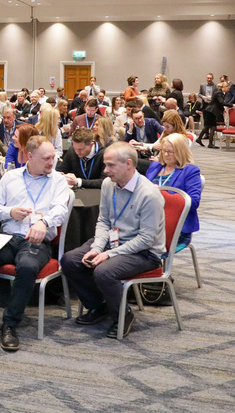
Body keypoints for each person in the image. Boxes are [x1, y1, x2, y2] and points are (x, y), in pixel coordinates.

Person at [0, 136, 71, 351]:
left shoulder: (58, 181)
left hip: (37, 240)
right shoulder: (10, 177)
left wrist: (44, 222)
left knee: (27, 266)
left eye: (53, 157)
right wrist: (10, 212)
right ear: (30, 156)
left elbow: (60, 210)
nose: (51, 162)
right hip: (7, 236)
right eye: (46, 158)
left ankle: (10, 323)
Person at [61, 142, 166, 339]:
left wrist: (109, 254)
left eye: (110, 165)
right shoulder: (109, 185)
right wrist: (97, 247)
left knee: (104, 271)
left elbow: (146, 239)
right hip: (113, 241)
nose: (105, 170)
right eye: (105, 165)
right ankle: (100, 305)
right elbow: (104, 221)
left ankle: (123, 315)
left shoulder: (149, 194)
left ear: (128, 164)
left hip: (144, 252)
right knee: (70, 260)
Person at [145, 133, 202, 250]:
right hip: (149, 221)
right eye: (163, 151)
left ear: (180, 152)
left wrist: (161, 194)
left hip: (175, 227)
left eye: (170, 152)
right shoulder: (155, 166)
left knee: (137, 244)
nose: (165, 155)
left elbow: (193, 202)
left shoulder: (190, 171)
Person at [195, 83, 225, 148]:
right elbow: (222, 102)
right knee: (213, 127)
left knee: (208, 126)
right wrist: (231, 104)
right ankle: (210, 144)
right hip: (211, 111)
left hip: (209, 110)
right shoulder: (219, 93)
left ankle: (199, 139)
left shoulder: (216, 92)